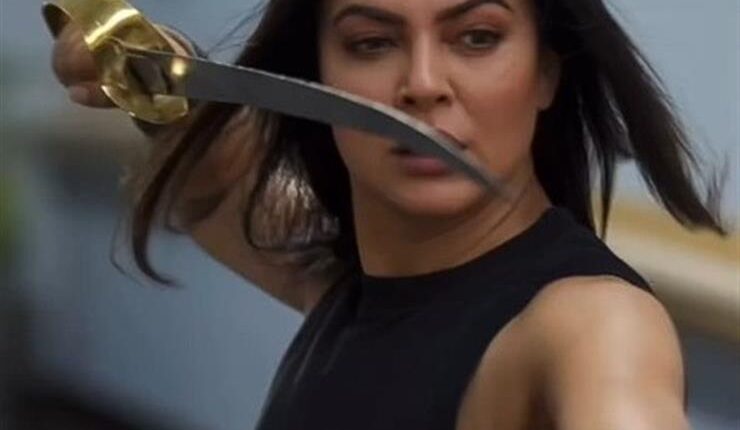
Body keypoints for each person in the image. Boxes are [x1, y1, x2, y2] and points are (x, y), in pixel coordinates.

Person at [51, 0, 727, 428]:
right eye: (372, 42)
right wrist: (144, 60)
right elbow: (223, 178)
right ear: (316, 78)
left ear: (546, 73)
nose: (424, 84)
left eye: (477, 37)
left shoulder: (592, 325)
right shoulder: (352, 290)